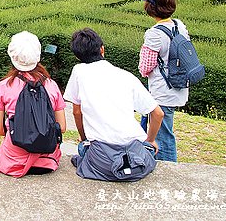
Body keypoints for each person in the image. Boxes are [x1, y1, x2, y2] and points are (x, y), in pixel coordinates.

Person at [65, 28, 164, 182]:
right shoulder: (126, 76)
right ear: (102, 49)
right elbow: (158, 113)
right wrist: (150, 140)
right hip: (135, 155)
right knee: (149, 149)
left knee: (81, 149)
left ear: (77, 56)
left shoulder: (78, 71)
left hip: (101, 159)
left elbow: (77, 112)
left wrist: (84, 139)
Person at [0, 31, 67, 177]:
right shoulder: (51, 85)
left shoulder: (4, 86)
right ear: (38, 56)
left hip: (14, 161)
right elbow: (61, 127)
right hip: (47, 160)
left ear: (12, 57)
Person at [139, 0, 190, 162]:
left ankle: (168, 168)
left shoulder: (154, 34)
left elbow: (145, 66)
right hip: (178, 83)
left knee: (163, 135)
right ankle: (145, 156)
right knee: (150, 126)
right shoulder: (179, 25)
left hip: (162, 90)